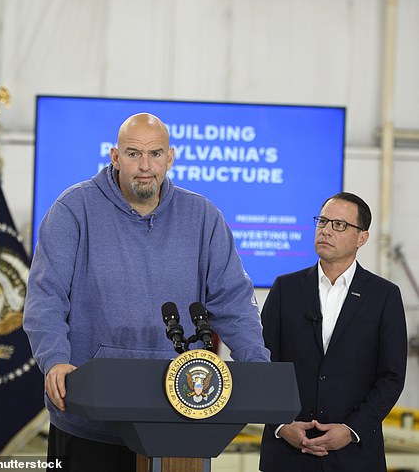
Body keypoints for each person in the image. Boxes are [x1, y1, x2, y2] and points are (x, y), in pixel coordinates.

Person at [23, 112, 269, 471]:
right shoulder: (72, 210)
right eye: (134, 154)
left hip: (183, 415)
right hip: (90, 420)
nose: (145, 166)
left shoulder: (203, 217)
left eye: (155, 154)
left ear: (170, 157)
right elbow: (46, 298)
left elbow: (233, 301)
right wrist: (55, 360)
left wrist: (256, 366)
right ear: (115, 157)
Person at [260, 192, 407, 472]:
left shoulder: (384, 296)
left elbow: (391, 377)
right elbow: (264, 365)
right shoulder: (285, 289)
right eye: (322, 221)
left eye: (339, 225)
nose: (326, 230)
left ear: (362, 237)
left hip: (354, 456)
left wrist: (351, 430)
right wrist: (281, 425)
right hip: (288, 454)